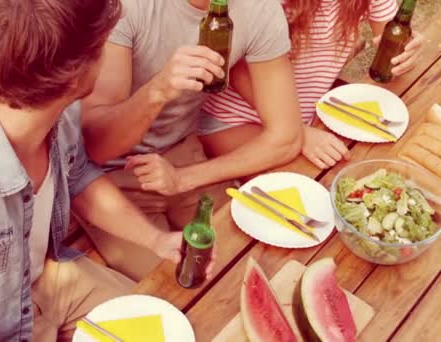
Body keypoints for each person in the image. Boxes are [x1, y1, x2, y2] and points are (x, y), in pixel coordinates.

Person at [0, 0, 196, 340]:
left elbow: (79, 176)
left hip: (45, 282)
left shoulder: (52, 103)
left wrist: (156, 240)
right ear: (75, 76)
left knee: (173, 328)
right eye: (101, 47)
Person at [81, 0, 304, 280]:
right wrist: (158, 90)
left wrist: (184, 178)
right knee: (173, 284)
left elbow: (286, 137)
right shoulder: (129, 7)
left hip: (184, 155)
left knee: (243, 268)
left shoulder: (259, 9)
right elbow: (97, 147)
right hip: (109, 176)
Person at [200, 0, 424, 169]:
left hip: (305, 117)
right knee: (312, 187)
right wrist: (297, 130)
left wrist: (406, 52)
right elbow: (237, 66)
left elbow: (391, 35)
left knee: (372, 167)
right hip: (235, 119)